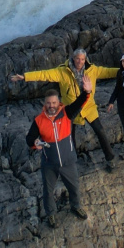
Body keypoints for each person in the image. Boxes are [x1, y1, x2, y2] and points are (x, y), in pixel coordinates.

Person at [10, 49, 119, 163]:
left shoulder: (92, 70)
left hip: (88, 107)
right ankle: (72, 160)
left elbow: (108, 72)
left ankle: (110, 158)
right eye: (77, 59)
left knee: (100, 131)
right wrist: (25, 77)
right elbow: (44, 74)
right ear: (73, 58)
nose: (80, 62)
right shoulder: (62, 71)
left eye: (82, 59)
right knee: (69, 137)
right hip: (70, 109)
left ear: (85, 59)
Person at [26, 89, 88, 227]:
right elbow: (29, 138)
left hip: (68, 161)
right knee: (48, 191)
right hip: (49, 163)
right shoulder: (39, 121)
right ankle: (51, 215)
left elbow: (80, 102)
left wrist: (87, 91)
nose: (51, 105)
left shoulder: (66, 112)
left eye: (54, 102)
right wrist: (35, 143)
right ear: (44, 104)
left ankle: (76, 206)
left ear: (58, 102)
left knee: (74, 186)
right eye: (48, 103)